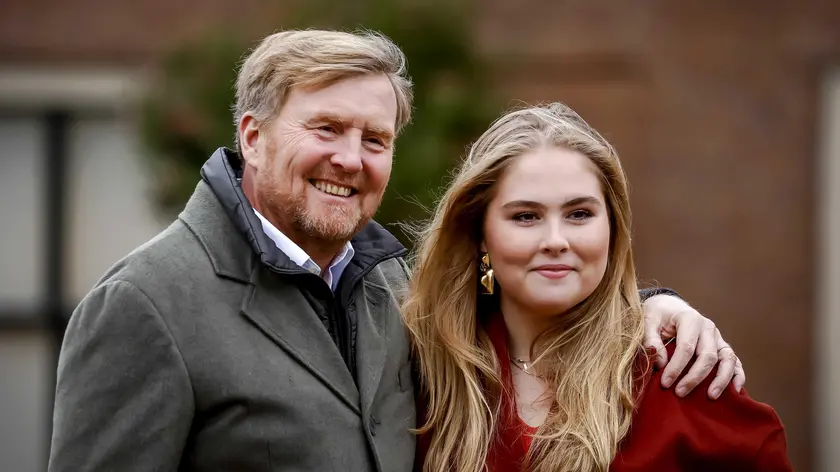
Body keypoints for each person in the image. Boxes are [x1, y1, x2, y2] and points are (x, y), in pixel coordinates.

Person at [49, 30, 745, 472]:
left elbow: (538, 279)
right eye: (326, 128)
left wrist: (655, 306)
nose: (350, 159)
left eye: (374, 139)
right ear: (253, 136)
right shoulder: (145, 306)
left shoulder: (395, 294)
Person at [405, 103, 792, 472]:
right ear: (480, 236)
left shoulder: (677, 370)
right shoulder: (426, 372)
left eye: (579, 214)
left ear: (613, 228)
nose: (556, 240)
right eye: (526, 216)